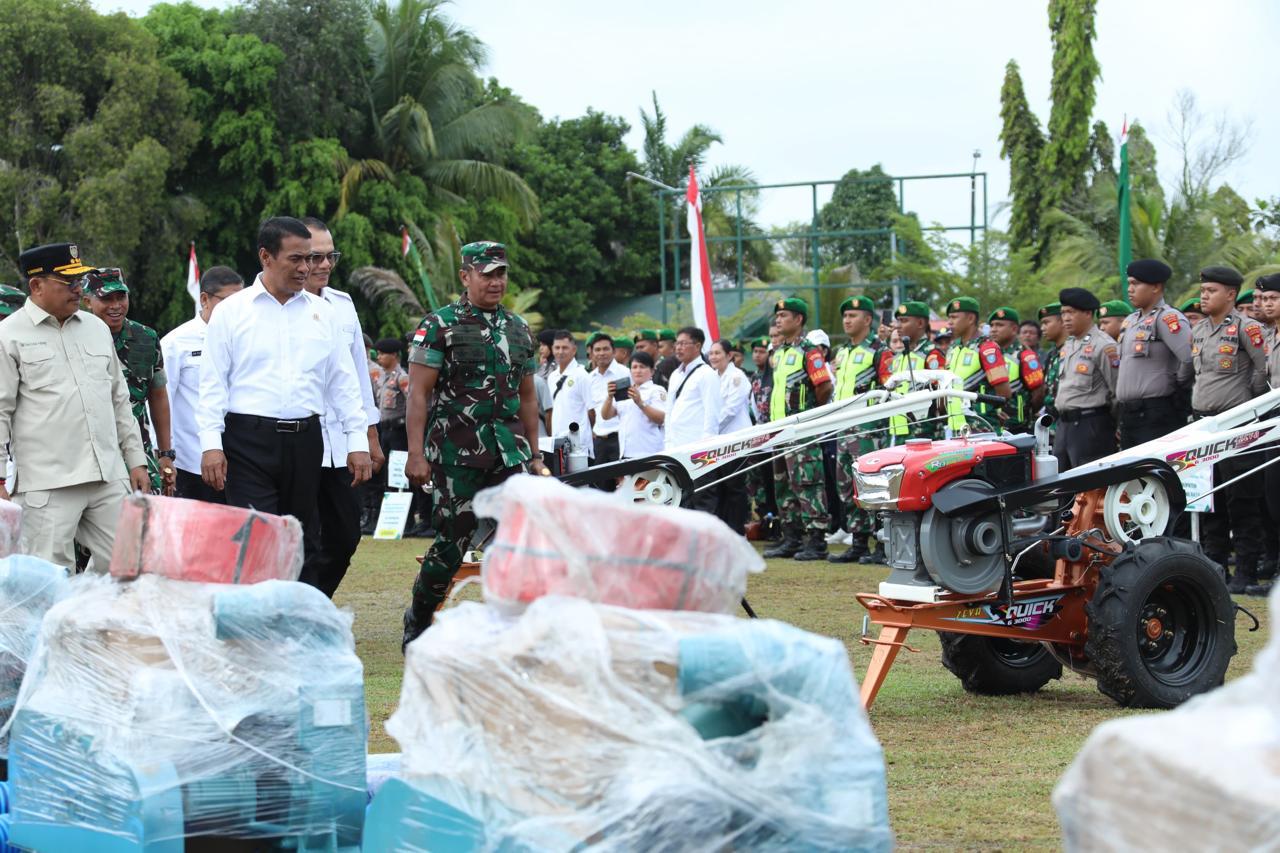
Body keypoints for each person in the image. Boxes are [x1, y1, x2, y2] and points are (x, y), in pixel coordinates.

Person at [198, 217, 372, 562]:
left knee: (301, 541)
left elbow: (344, 383)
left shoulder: (324, 314)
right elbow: (212, 384)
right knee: (259, 538)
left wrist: (358, 441)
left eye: (309, 258)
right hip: (247, 441)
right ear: (266, 256)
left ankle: (299, 614)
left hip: (306, 440)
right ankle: (255, 614)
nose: (306, 268)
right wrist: (211, 445)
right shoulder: (232, 313)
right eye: (296, 259)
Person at [402, 241, 547, 646]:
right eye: (486, 273)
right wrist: (416, 454)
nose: (495, 281)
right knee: (452, 544)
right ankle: (419, 617)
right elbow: (418, 394)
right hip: (456, 453)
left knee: (520, 542)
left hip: (508, 452)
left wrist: (535, 455)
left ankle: (517, 629)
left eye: (501, 273)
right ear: (465, 276)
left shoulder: (519, 328)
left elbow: (529, 397)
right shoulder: (440, 325)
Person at [0, 242, 149, 567]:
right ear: (36, 286)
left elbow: (119, 399)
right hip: (48, 484)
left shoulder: (95, 328)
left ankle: (98, 619)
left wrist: (136, 460)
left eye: (79, 281)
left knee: (130, 567)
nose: (78, 290)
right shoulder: (8, 335)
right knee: (46, 581)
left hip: (107, 476)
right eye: (67, 283)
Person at [294, 218, 383, 596]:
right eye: (316, 258)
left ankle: (315, 602)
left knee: (346, 534)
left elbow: (359, 376)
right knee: (303, 538)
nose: (325, 266)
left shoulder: (343, 306)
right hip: (298, 440)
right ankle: (304, 617)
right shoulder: (278, 308)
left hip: (343, 442)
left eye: (331, 256)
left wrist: (370, 435)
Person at [1179, 265, 1267, 594]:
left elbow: (1263, 371)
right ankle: (1215, 567)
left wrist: (1246, 405)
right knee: (1209, 499)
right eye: (1203, 290)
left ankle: (1246, 571)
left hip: (1237, 423)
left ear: (1231, 294)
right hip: (1204, 425)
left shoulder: (1247, 328)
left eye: (1211, 291)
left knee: (1242, 498)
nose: (1204, 296)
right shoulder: (1199, 330)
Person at [82, 268, 175, 496]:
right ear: (87, 301)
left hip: (138, 451)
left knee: (145, 522)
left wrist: (165, 454)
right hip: (89, 453)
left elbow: (158, 396)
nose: (116, 305)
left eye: (120, 297)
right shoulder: (77, 337)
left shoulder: (146, 338)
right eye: (106, 298)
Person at [160, 265, 244, 503]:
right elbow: (160, 401)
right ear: (204, 299)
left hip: (240, 459)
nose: (236, 310)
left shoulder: (248, 339)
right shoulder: (177, 343)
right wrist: (165, 456)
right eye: (228, 302)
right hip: (191, 461)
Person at [762, 298, 833, 561]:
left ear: (798, 319)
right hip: (779, 430)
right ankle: (791, 537)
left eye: (784, 315)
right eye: (777, 315)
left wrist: (807, 416)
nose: (778, 320)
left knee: (808, 483)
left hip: (800, 430)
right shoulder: (778, 353)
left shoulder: (809, 351)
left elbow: (824, 386)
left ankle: (816, 539)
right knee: (783, 485)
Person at [1115, 259, 1193, 449]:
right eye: (1129, 283)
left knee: (1153, 471)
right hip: (1129, 413)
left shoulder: (1167, 318)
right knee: (1130, 474)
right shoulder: (1131, 320)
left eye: (1136, 284)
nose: (1130, 289)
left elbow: (1190, 357)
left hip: (1156, 412)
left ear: (1156, 287)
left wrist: (1178, 382)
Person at [829, 296, 884, 563]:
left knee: (874, 486)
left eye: (853, 315)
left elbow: (889, 389)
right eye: (845, 316)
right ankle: (859, 542)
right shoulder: (842, 352)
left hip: (869, 429)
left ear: (868, 320)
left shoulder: (879, 351)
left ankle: (883, 544)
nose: (847, 320)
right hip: (843, 427)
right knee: (847, 485)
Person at [1053, 288, 1118, 471]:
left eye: (1071, 312)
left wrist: (1108, 423)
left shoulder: (1104, 345)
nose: (1065, 318)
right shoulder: (1069, 344)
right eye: (1063, 313)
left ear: (1088, 313)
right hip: (1064, 425)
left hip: (1090, 425)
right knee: (1061, 486)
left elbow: (1117, 391)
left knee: (1090, 488)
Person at [944, 297, 1010, 433]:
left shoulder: (986, 348)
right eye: (949, 318)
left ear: (970, 318)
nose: (949, 322)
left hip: (981, 427)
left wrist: (993, 411)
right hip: (957, 426)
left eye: (954, 317)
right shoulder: (954, 348)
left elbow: (1004, 391)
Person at [1254, 272, 1280, 597]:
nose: (1266, 304)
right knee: (1273, 497)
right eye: (1264, 299)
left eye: (1273, 298)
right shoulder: (1270, 337)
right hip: (1272, 420)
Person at [707, 338, 750, 533]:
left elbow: (730, 410)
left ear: (729, 355)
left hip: (735, 439)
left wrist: (709, 428)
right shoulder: (711, 377)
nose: (713, 357)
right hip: (717, 441)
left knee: (735, 487)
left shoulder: (737, 377)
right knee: (720, 487)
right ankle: (724, 530)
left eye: (717, 353)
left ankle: (737, 531)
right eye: (711, 353)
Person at [987, 307, 1045, 434]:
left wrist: (1022, 415)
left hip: (1018, 429)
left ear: (1014, 329)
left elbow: (1039, 394)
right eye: (992, 325)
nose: (994, 329)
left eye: (999, 325)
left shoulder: (1024, 355)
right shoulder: (988, 354)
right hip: (992, 425)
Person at [601, 350, 666, 459]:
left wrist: (640, 403)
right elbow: (606, 416)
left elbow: (662, 419)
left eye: (642, 367)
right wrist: (609, 397)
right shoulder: (625, 390)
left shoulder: (656, 390)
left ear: (652, 371)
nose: (638, 371)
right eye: (634, 367)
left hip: (649, 452)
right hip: (626, 453)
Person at [546, 331, 594, 463]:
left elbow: (592, 412)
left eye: (565, 347)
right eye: (557, 347)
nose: (560, 351)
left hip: (579, 447)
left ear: (574, 350)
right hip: (558, 444)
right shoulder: (552, 377)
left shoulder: (581, 375)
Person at [583, 332, 629, 467]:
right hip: (599, 441)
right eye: (597, 350)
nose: (601, 353)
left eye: (605, 349)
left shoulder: (625, 373)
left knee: (621, 484)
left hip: (620, 439)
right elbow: (590, 410)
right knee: (600, 486)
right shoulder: (589, 378)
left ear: (613, 351)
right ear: (591, 353)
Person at [1038, 303, 1065, 420]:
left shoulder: (1076, 350)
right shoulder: (1051, 354)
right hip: (1052, 423)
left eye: (1046, 322)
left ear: (1063, 321)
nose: (1042, 328)